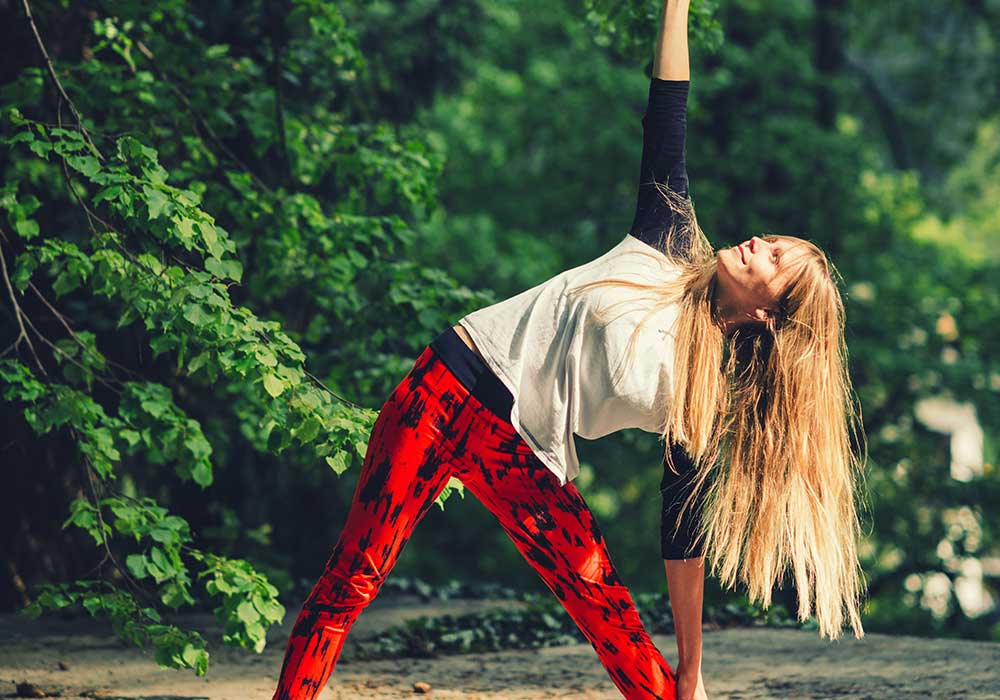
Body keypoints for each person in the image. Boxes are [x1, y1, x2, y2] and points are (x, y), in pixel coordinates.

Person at [271, 1, 867, 698]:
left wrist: (694, 670)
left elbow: (681, 540)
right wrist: (675, 5)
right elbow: (668, 109)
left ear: (769, 314)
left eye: (775, 259)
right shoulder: (670, 239)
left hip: (523, 453)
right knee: (353, 575)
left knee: (613, 621)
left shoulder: (702, 395)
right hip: (448, 379)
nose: (760, 242)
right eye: (773, 240)